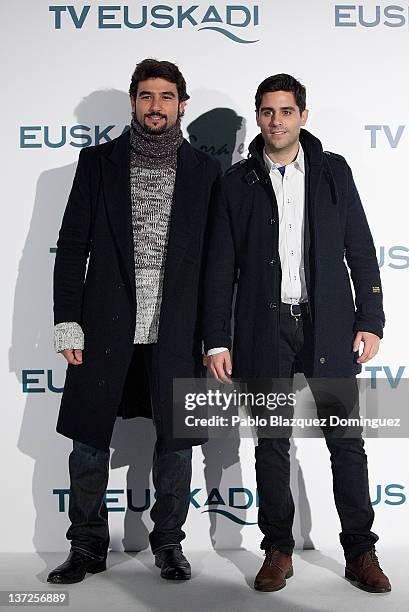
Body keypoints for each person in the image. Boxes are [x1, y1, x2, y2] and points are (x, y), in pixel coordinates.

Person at [202, 73, 391, 593]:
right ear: (258, 116)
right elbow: (220, 267)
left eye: (286, 111)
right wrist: (217, 338)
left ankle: (361, 552)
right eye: (266, 111)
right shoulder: (236, 183)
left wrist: (370, 321)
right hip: (265, 327)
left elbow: (361, 248)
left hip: (327, 325)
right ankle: (278, 550)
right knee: (271, 442)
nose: (276, 121)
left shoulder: (333, 172)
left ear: (303, 115)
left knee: (346, 443)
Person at [47, 58, 221, 584]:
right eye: (146, 96)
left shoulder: (206, 172)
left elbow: (218, 264)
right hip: (105, 326)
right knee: (88, 442)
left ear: (181, 104)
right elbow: (72, 245)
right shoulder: (97, 162)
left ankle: (169, 543)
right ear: (132, 102)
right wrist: (67, 321)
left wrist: (215, 336)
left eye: (166, 97)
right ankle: (87, 546)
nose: (156, 106)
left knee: (176, 443)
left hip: (178, 330)